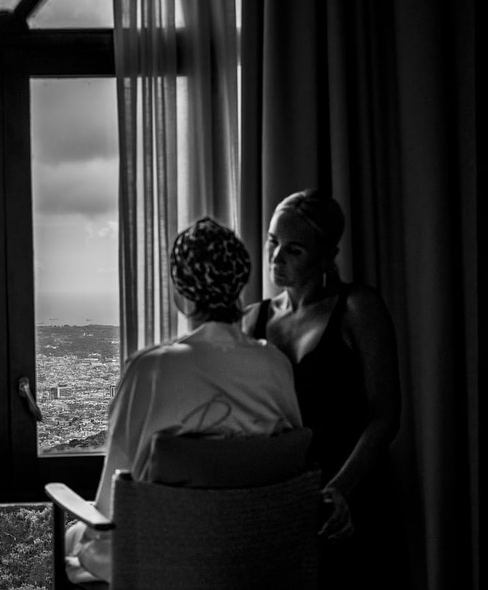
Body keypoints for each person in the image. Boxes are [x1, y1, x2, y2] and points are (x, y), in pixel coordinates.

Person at [65, 217, 302, 584]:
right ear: (239, 284)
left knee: (72, 539)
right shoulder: (276, 365)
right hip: (259, 561)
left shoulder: (153, 369)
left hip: (163, 565)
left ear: (181, 290)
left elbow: (111, 502)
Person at [243, 189, 404, 588]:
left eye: (294, 250)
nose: (276, 258)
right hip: (285, 503)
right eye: (272, 242)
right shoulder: (253, 320)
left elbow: (385, 416)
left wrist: (337, 491)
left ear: (327, 254)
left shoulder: (357, 308)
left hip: (353, 496)